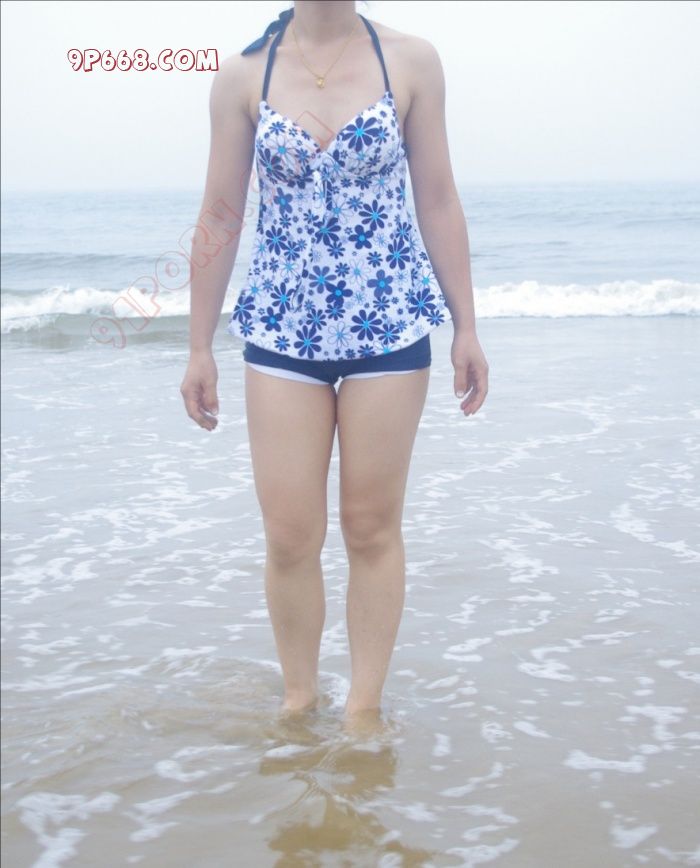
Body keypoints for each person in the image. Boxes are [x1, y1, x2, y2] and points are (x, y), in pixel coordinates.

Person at [180, 0, 489, 727]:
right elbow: (220, 213)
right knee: (290, 534)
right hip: (282, 331)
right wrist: (197, 346)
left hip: (389, 325)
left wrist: (467, 326)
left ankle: (362, 711)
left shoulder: (411, 61)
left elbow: (438, 199)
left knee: (371, 526)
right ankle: (298, 701)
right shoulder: (242, 77)